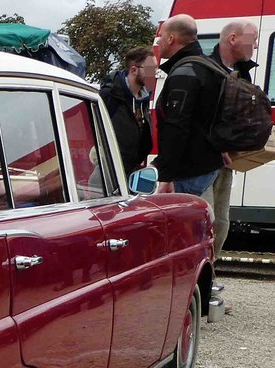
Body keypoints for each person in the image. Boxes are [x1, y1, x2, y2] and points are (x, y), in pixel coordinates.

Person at [152, 14, 227, 200]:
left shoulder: (185, 73)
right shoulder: (210, 67)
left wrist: (166, 175)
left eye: (161, 36)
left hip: (188, 171)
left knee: (179, 226)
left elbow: (177, 125)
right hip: (208, 165)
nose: (159, 42)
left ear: (171, 39)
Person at [203, 20, 259, 259]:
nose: (255, 46)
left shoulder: (242, 73)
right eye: (252, 40)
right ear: (233, 39)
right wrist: (219, 144)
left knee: (222, 222)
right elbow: (199, 117)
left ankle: (210, 272)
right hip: (204, 160)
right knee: (206, 219)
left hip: (227, 161)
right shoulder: (206, 70)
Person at [99, 46, 155, 172]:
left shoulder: (144, 99)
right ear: (134, 70)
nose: (154, 73)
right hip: (109, 170)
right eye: (150, 69)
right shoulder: (110, 95)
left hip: (131, 169)